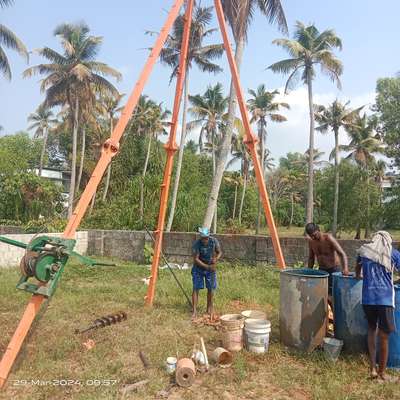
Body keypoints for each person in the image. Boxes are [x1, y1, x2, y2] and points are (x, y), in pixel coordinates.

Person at [355, 231, 400, 381]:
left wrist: (363, 277)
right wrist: (393, 283)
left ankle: (372, 368)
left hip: (368, 298)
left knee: (371, 330)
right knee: (384, 336)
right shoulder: (392, 253)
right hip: (385, 299)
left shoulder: (364, 251)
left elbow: (357, 272)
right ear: (388, 240)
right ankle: (382, 374)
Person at [306, 223, 349, 299]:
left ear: (318, 230)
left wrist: (345, 268)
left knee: (334, 295)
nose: (313, 237)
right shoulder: (311, 241)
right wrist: (309, 272)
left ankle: (335, 310)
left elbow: (342, 253)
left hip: (334, 269)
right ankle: (325, 310)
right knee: (322, 294)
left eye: (314, 235)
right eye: (311, 236)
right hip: (322, 270)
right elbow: (311, 258)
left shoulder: (328, 238)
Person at [191, 227, 222, 319]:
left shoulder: (214, 241)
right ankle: (194, 311)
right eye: (203, 238)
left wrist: (216, 258)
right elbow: (196, 259)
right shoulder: (197, 244)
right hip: (198, 268)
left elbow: (219, 252)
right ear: (201, 237)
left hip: (210, 268)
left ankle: (209, 309)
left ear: (209, 236)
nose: (205, 240)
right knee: (196, 288)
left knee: (211, 288)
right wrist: (207, 267)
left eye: (206, 238)